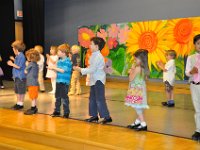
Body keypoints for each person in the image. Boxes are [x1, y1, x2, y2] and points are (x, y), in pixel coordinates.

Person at [74, 37, 112, 124]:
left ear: (97, 46)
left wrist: (80, 70)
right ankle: (94, 116)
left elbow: (92, 69)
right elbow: (91, 68)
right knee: (92, 99)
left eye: (91, 44)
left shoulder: (98, 57)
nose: (89, 45)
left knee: (99, 99)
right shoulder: (93, 55)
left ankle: (107, 117)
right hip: (93, 80)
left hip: (98, 81)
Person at [125, 49, 149, 131]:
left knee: (137, 107)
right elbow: (145, 78)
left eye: (136, 59)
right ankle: (137, 122)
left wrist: (131, 71)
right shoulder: (144, 68)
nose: (135, 61)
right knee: (138, 106)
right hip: (140, 89)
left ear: (141, 59)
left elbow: (130, 79)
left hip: (136, 90)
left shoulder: (138, 68)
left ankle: (143, 124)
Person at [48, 43, 72, 118]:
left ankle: (66, 112)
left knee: (64, 98)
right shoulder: (59, 61)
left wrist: (53, 68)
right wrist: (52, 68)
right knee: (57, 97)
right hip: (58, 81)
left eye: (58, 51)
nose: (57, 52)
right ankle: (57, 111)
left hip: (64, 82)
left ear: (63, 53)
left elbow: (63, 70)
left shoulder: (67, 61)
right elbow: (58, 70)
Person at [185, 34, 200, 141]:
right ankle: (198, 130)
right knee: (198, 109)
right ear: (195, 45)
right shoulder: (191, 58)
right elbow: (187, 73)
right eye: (198, 43)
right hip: (194, 86)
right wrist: (191, 72)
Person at [7, 40, 26, 110]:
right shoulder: (17, 56)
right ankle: (18, 103)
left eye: (13, 48)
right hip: (17, 76)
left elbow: (19, 67)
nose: (12, 49)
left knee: (21, 91)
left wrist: (11, 64)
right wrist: (13, 59)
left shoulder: (21, 56)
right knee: (17, 91)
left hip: (21, 77)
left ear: (16, 49)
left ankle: (21, 104)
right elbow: (17, 64)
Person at [24, 49, 40, 115]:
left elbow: (25, 71)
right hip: (35, 82)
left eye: (27, 56)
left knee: (32, 96)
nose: (27, 57)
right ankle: (34, 107)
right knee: (34, 96)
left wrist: (26, 65)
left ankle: (33, 108)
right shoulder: (36, 64)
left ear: (31, 57)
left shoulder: (31, 64)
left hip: (31, 83)